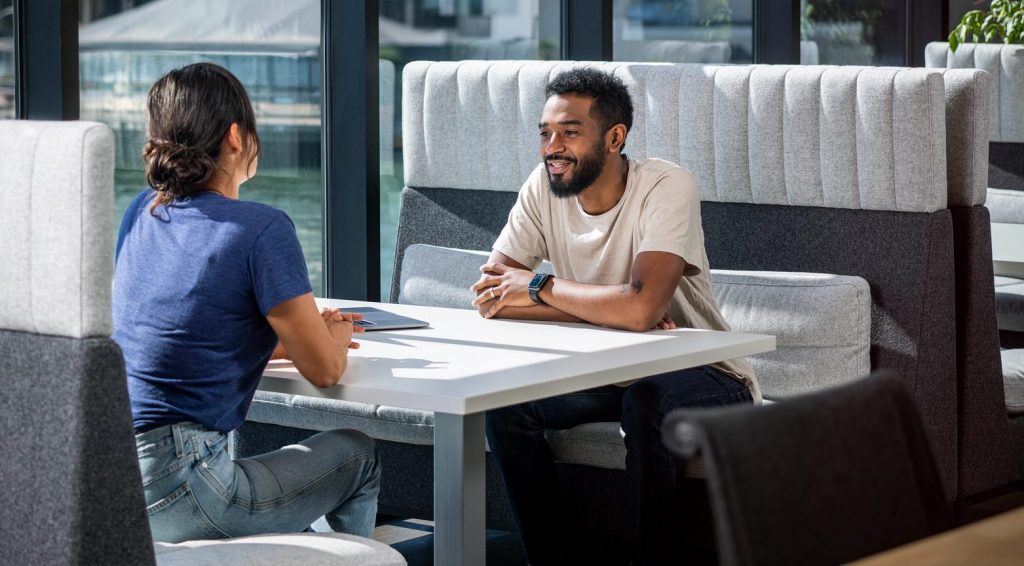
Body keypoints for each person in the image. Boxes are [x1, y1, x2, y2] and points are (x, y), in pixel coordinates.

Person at [469, 67, 761, 565]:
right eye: (545, 133)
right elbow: (491, 298)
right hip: (608, 372)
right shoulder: (543, 187)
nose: (551, 147)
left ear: (615, 137)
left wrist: (541, 287)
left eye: (569, 132)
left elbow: (642, 308)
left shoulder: (665, 186)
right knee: (506, 405)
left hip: (706, 372)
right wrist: (616, 311)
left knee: (648, 400)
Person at [113, 63, 379, 543]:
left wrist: (286, 341)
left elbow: (173, 336)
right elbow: (325, 372)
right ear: (236, 136)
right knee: (356, 455)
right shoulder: (260, 228)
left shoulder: (142, 211)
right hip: (189, 486)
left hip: (112, 479)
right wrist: (331, 338)